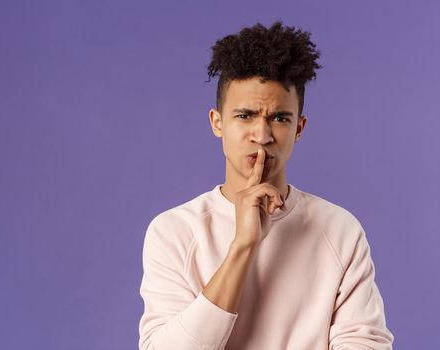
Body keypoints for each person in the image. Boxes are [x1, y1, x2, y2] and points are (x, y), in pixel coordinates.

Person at [138, 21, 394, 349]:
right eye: (245, 116)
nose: (262, 135)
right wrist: (243, 246)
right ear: (218, 123)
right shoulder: (174, 231)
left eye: (280, 118)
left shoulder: (339, 229)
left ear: (299, 128)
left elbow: (366, 344)